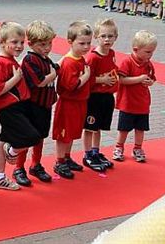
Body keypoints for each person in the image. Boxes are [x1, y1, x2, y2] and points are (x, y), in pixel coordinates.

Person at [0, 22, 41, 190]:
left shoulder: (9, 60)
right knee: (32, 136)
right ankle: (11, 153)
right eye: (15, 42)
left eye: (21, 42)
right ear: (2, 42)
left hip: (16, 107)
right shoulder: (1, 62)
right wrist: (15, 79)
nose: (19, 46)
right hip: (9, 109)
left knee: (1, 142)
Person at [13, 21, 58, 186]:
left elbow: (55, 69)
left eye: (49, 43)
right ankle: (18, 168)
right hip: (32, 106)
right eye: (42, 44)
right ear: (31, 44)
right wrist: (53, 75)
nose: (47, 47)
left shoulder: (46, 59)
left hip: (45, 105)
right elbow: (39, 82)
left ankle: (36, 164)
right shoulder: (30, 59)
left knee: (40, 137)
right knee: (27, 137)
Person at [52, 21, 92, 179]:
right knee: (64, 134)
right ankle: (59, 161)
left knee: (73, 132)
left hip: (79, 103)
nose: (86, 47)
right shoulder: (69, 62)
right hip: (68, 104)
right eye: (81, 43)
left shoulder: (80, 59)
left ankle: (67, 157)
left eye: (88, 43)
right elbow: (70, 86)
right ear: (70, 42)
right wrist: (85, 77)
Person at [113, 31, 157, 163]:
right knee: (124, 129)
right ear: (136, 50)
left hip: (142, 104)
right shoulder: (127, 62)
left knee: (140, 128)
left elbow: (152, 78)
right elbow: (121, 80)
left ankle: (138, 148)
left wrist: (150, 82)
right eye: (148, 52)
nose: (150, 55)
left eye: (152, 52)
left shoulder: (148, 63)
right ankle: (119, 147)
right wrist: (139, 79)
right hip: (128, 103)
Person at [82, 19, 119, 172]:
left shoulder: (111, 53)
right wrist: (102, 79)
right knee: (90, 127)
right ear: (96, 36)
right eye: (103, 36)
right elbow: (86, 76)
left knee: (99, 128)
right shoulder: (93, 57)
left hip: (107, 97)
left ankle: (96, 151)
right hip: (94, 98)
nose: (107, 39)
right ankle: (87, 154)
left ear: (116, 37)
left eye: (110, 36)